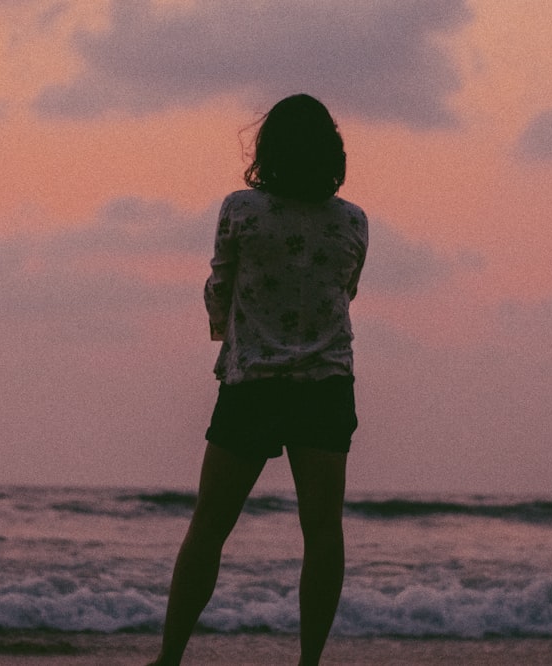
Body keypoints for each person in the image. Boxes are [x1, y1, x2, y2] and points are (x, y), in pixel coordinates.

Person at [148, 94, 369, 666]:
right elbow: (346, 291)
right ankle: (309, 664)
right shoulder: (353, 221)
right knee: (322, 533)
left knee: (209, 527)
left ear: (267, 150)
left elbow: (220, 287)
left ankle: (169, 660)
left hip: (253, 384)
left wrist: (234, 335)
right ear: (332, 153)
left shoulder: (241, 210)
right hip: (324, 383)